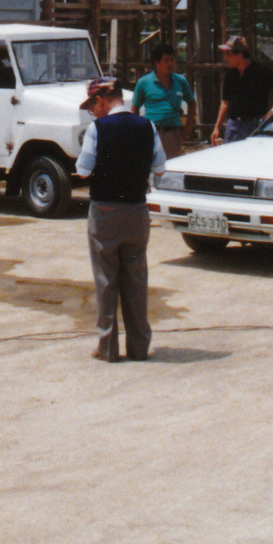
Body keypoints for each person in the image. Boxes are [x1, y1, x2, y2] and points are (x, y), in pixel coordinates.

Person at [75, 76, 166, 362]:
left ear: (102, 100)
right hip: (137, 211)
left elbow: (83, 170)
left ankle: (108, 347)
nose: (93, 111)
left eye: (93, 105)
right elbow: (160, 168)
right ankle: (139, 347)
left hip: (105, 211)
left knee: (106, 278)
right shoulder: (147, 125)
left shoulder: (97, 129)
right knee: (136, 278)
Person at [210, 35, 273, 145]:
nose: (225, 58)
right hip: (233, 125)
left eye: (228, 54)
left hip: (254, 125)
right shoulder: (230, 75)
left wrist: (272, 111)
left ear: (239, 55)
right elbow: (225, 102)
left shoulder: (260, 72)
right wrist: (217, 127)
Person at [132, 41, 196, 159]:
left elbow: (192, 103)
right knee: (151, 170)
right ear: (156, 62)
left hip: (174, 134)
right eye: (166, 60)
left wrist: (187, 129)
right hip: (152, 133)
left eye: (172, 60)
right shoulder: (144, 82)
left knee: (172, 170)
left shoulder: (180, 81)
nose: (170, 64)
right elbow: (135, 107)